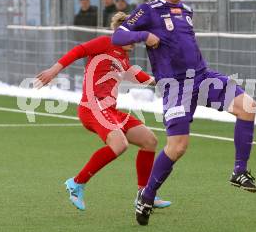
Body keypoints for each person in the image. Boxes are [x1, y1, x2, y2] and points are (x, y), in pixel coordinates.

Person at [112, 0, 256, 226]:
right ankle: (146, 196)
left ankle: (240, 170)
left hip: (202, 77)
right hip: (175, 86)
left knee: (247, 106)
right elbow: (118, 37)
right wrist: (145, 35)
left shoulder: (186, 10)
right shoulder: (149, 10)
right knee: (178, 147)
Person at [35, 12, 171, 211]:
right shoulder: (105, 43)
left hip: (109, 110)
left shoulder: (123, 59)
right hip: (93, 107)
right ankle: (77, 183)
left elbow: (143, 78)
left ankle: (144, 194)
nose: (135, 42)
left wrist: (170, 80)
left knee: (149, 141)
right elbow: (78, 50)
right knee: (119, 144)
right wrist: (53, 71)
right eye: (132, 37)